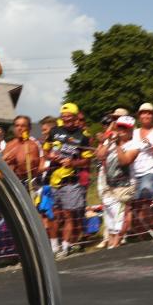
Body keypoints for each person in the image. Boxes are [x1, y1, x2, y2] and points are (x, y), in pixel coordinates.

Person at [44, 102, 92, 257]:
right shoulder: (54, 131)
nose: (66, 120)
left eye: (69, 117)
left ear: (76, 117)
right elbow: (45, 151)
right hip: (53, 180)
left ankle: (65, 247)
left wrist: (73, 163)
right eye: (64, 117)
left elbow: (87, 161)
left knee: (68, 215)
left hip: (71, 181)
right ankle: (54, 247)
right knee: (54, 216)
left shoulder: (83, 136)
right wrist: (50, 156)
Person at [122, 103, 153, 235]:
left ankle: (147, 231)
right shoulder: (133, 132)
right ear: (139, 116)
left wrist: (150, 144)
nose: (146, 115)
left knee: (145, 201)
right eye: (143, 113)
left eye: (149, 113)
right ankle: (142, 231)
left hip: (150, 172)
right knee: (134, 204)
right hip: (134, 174)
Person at [96, 115, 136, 248]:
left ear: (131, 130)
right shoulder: (111, 140)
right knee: (109, 216)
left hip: (124, 185)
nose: (122, 130)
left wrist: (118, 144)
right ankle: (112, 244)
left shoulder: (135, 143)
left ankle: (116, 243)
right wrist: (106, 141)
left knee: (120, 216)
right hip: (109, 183)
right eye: (120, 127)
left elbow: (125, 161)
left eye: (125, 128)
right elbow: (100, 156)